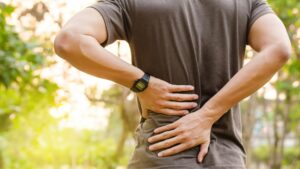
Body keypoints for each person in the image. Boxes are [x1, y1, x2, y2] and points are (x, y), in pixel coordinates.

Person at [54, 0, 291, 168]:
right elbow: (278, 48)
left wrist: (141, 84)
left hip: (163, 155)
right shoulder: (247, 2)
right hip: (228, 159)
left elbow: (69, 40)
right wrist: (208, 114)